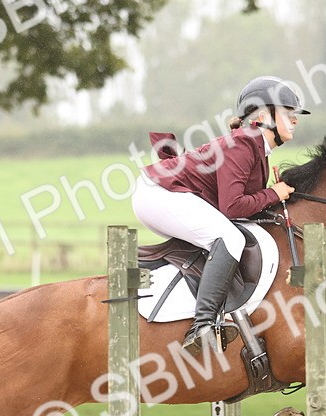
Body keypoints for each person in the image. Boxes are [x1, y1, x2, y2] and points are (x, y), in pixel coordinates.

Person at [132, 75, 309, 354]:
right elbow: (233, 207)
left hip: (163, 194)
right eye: (288, 113)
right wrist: (275, 193)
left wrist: (274, 196)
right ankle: (201, 326)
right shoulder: (243, 143)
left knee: (223, 238)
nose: (295, 120)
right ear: (263, 116)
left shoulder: (255, 148)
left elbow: (244, 207)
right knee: (229, 238)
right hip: (158, 193)